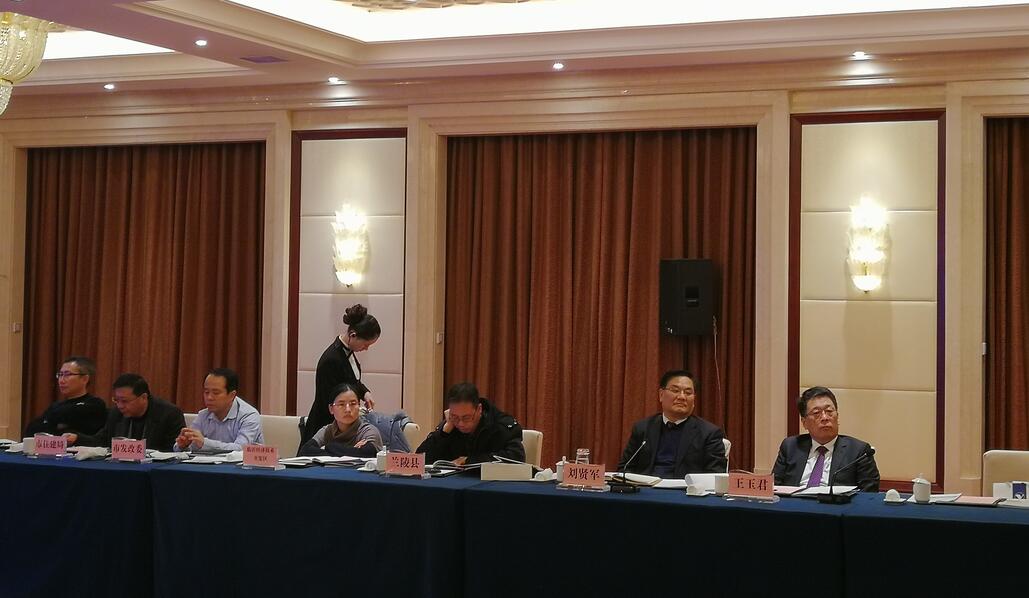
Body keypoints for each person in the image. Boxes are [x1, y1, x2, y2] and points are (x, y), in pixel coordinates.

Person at [618, 369, 727, 478]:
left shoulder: (709, 433)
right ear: (661, 395)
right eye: (675, 390)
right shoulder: (643, 428)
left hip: (684, 488)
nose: (682, 397)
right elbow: (625, 468)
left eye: (688, 393)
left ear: (694, 399)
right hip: (645, 487)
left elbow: (716, 476)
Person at [772, 386, 880, 492]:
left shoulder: (859, 451)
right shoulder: (791, 446)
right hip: (793, 502)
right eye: (816, 413)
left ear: (837, 416)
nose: (825, 417)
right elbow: (774, 487)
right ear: (804, 422)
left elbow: (868, 494)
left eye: (829, 411)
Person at [301, 304, 380, 444]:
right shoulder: (331, 359)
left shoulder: (347, 352)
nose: (366, 349)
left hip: (341, 425)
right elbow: (331, 399)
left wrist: (365, 392)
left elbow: (351, 380)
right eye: (365, 344)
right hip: (327, 427)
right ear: (353, 335)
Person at [67, 373, 185, 452]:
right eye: (116, 400)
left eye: (124, 401)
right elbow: (102, 440)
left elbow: (174, 450)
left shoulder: (169, 414)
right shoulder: (116, 413)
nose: (120, 406)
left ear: (143, 397)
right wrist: (77, 438)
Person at [416, 382, 525, 465]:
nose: (461, 423)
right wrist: (444, 432)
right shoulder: (450, 424)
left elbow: (516, 458)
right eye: (455, 417)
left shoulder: (500, 425)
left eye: (466, 418)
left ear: (479, 409)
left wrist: (469, 461)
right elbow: (419, 461)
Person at [174, 368, 264, 452]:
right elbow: (189, 446)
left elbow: (241, 449)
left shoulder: (249, 416)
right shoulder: (204, 415)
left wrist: (205, 443)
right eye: (206, 392)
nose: (209, 397)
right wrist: (183, 445)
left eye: (216, 393)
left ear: (232, 395)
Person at [24, 356, 106, 437]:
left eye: (67, 374)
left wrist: (52, 423)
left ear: (85, 379)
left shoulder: (94, 404)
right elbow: (32, 429)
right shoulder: (56, 406)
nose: (61, 380)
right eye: (60, 375)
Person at [299, 383, 383, 457]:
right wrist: (352, 451)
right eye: (341, 404)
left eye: (353, 404)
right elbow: (305, 451)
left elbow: (367, 453)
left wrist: (329, 447)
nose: (348, 409)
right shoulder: (327, 431)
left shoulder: (368, 431)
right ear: (331, 409)